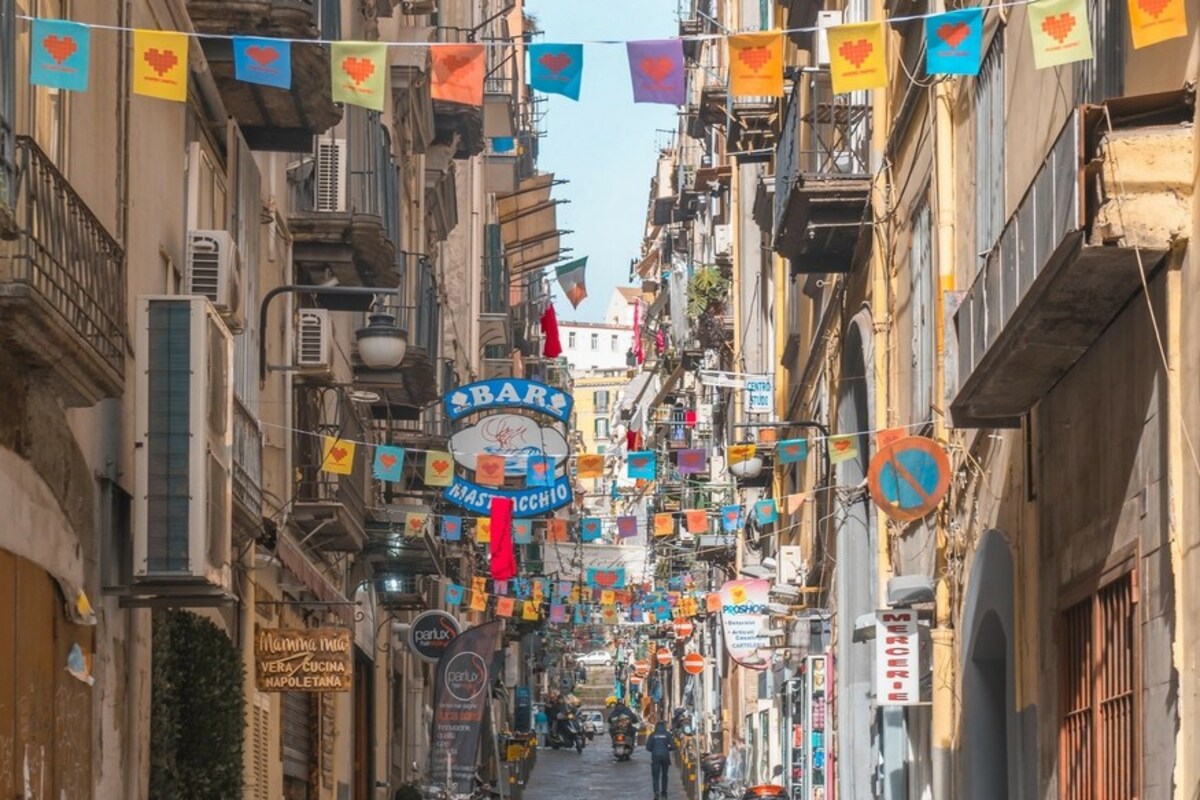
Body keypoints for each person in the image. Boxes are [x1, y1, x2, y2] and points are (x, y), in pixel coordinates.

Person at [645, 720, 676, 800]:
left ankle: (656, 793)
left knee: (655, 775)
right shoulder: (667, 734)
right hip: (665, 756)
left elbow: (648, 747)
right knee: (664, 775)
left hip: (655, 756)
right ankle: (664, 794)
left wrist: (654, 750)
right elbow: (673, 746)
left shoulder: (652, 735)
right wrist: (667, 749)